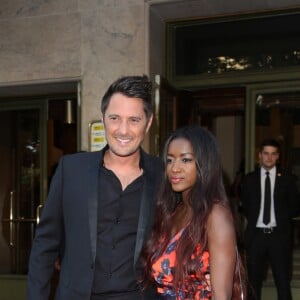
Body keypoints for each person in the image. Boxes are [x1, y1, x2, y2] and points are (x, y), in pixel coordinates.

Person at [27, 75, 163, 300]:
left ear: (148, 123)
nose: (123, 130)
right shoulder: (71, 170)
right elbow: (45, 244)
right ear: (103, 118)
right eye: (115, 118)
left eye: (134, 120)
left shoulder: (163, 176)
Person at [142, 126, 246, 299]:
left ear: (204, 164)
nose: (174, 168)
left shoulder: (215, 215)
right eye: (169, 160)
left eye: (185, 160)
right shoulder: (174, 212)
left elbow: (222, 295)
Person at [241, 138, 300, 300]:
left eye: (273, 154)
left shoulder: (288, 179)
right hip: (256, 237)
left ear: (278, 156)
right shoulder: (249, 179)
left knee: (282, 283)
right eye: (266, 154)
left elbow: (294, 206)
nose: (269, 158)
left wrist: (280, 218)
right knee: (253, 284)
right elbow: (246, 206)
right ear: (259, 155)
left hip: (278, 236)